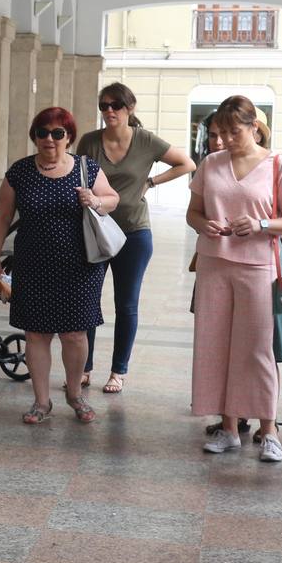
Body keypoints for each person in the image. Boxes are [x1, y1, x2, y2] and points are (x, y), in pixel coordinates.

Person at [0, 107, 119, 424]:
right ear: (34, 136)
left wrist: (96, 201)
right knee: (36, 335)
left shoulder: (85, 168)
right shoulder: (19, 172)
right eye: (43, 132)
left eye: (58, 133)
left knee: (74, 335)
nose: (49, 139)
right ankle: (41, 401)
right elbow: (2, 216)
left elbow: (113, 198)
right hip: (33, 265)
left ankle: (75, 394)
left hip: (80, 267)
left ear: (69, 137)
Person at [186, 95, 282, 462]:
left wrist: (262, 224)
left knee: (257, 349)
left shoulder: (277, 164)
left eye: (236, 132)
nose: (228, 140)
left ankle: (268, 430)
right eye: (221, 132)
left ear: (255, 127)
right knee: (215, 345)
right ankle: (229, 427)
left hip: (258, 266)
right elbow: (194, 213)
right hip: (214, 263)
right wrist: (206, 224)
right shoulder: (211, 163)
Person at [76, 83, 196, 393]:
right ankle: (83, 367)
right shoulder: (89, 142)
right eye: (104, 105)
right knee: (87, 301)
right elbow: (74, 177)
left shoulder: (146, 141)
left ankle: (118, 371)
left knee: (126, 304)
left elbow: (187, 163)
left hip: (133, 232)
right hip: (94, 231)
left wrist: (152, 181)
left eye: (116, 105)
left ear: (130, 108)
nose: (109, 111)